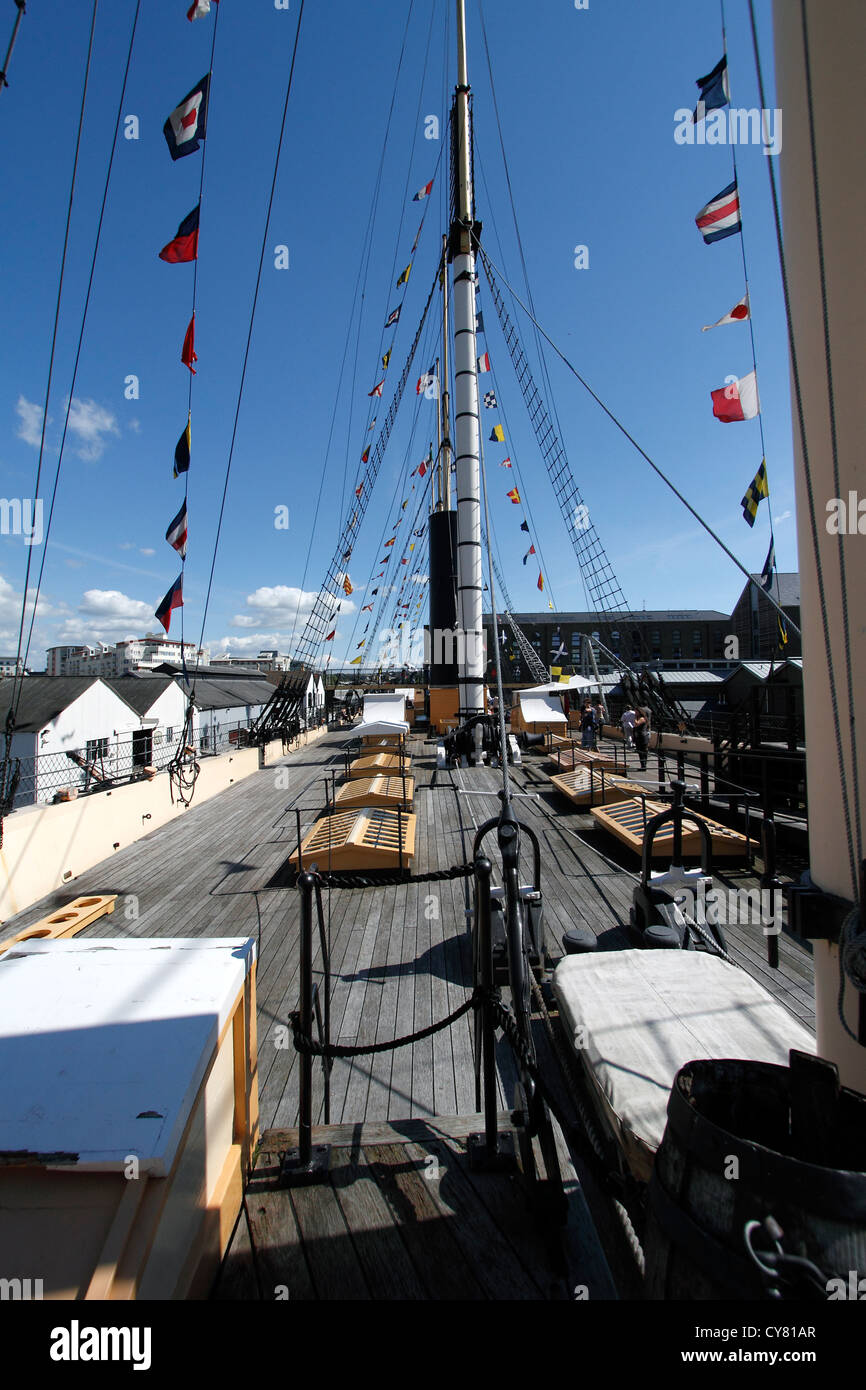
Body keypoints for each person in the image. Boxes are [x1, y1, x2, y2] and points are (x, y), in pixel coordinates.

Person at [633, 705, 651, 770]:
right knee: (640, 751)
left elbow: (636, 724)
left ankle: (644, 765)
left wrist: (635, 718)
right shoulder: (641, 718)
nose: (635, 713)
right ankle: (643, 765)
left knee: (643, 751)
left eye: (636, 712)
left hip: (642, 736)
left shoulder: (642, 718)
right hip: (639, 736)